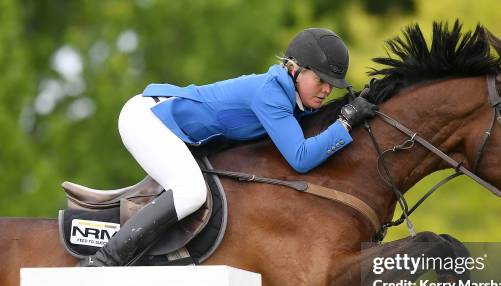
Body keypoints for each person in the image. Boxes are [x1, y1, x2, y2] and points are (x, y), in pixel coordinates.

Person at [80, 27, 377, 267]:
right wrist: (345, 123)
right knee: (191, 192)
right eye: (321, 80)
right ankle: (104, 261)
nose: (327, 89)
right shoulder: (271, 95)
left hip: (167, 123)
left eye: (332, 84)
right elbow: (300, 158)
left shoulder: (286, 95)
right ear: (295, 69)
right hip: (146, 120)